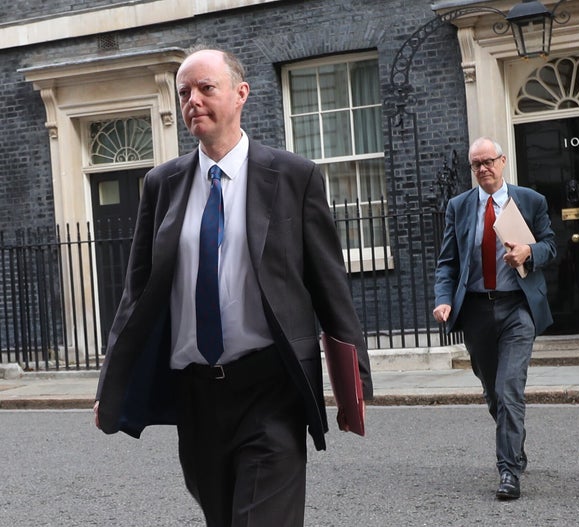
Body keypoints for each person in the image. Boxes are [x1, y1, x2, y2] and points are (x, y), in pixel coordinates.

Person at [94, 47, 373, 527]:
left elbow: (329, 285)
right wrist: (110, 384)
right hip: (196, 396)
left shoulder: (293, 176)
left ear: (241, 94)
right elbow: (136, 294)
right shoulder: (161, 183)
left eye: (206, 88)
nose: (193, 101)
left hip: (270, 388)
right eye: (184, 93)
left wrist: (354, 386)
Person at [433, 137, 555, 500]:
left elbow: (550, 245)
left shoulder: (530, 201)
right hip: (477, 310)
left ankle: (508, 471)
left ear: (503, 162)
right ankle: (514, 442)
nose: (483, 169)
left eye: (489, 161)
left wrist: (528, 252)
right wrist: (443, 300)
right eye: (476, 164)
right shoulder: (459, 206)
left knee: (509, 389)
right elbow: (448, 261)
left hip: (518, 307)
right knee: (492, 393)